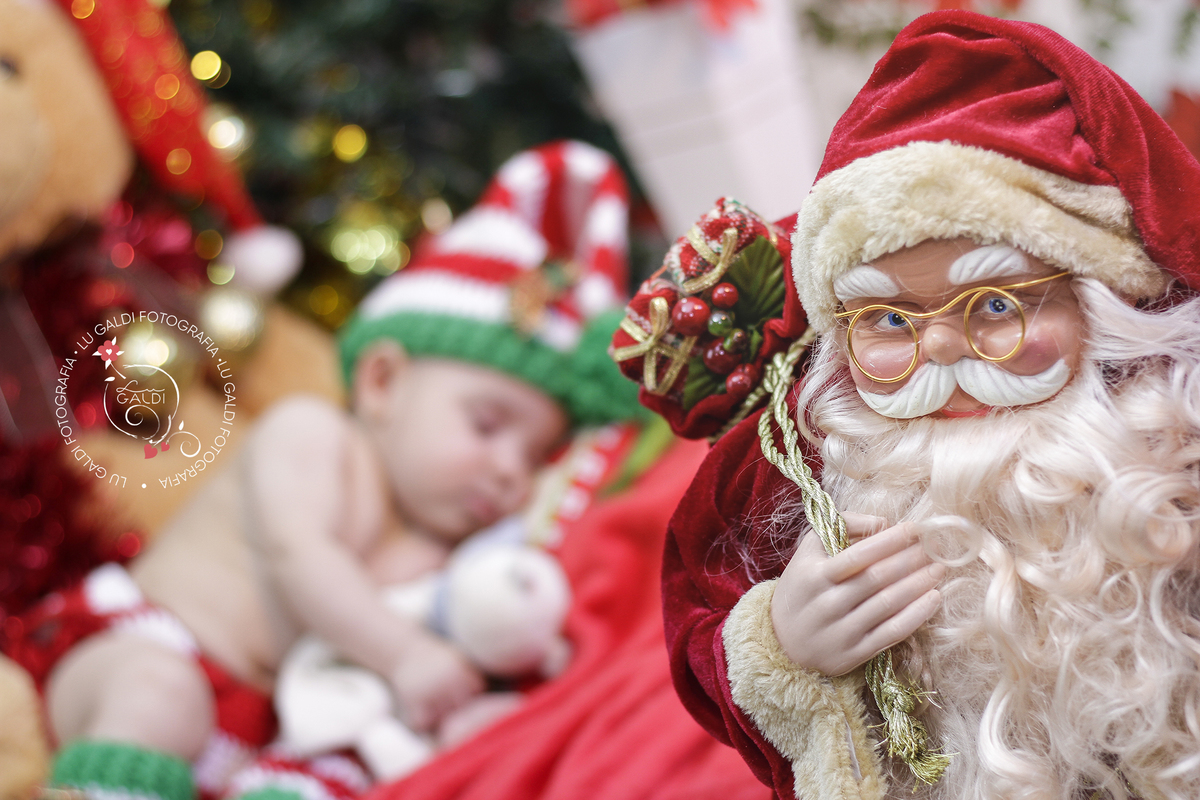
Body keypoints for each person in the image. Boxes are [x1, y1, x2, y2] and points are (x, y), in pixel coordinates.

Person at [640, 11, 1200, 800]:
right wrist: (781, 650)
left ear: (1100, 302)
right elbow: (700, 603)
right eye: (889, 320)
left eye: (996, 305)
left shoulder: (1169, 423)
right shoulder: (801, 469)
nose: (939, 350)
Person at [4, 140, 642, 800]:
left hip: (262, 733)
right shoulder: (313, 435)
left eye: (537, 457)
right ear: (383, 382)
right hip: (145, 645)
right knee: (160, 700)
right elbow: (299, 556)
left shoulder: (443, 549)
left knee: (334, 778)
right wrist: (406, 656)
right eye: (486, 425)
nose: (511, 471)